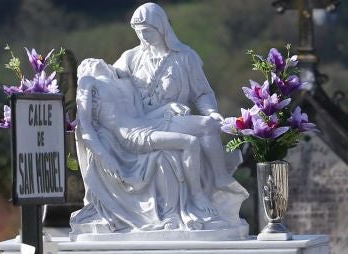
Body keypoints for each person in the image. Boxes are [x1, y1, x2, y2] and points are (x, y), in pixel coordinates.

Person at [71, 2, 246, 236]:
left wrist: (211, 111)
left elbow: (203, 93)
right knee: (180, 146)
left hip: (167, 118)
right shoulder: (130, 58)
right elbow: (107, 89)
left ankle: (221, 180)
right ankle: (196, 198)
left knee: (209, 125)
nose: (142, 37)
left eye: (147, 31)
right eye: (138, 32)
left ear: (161, 27)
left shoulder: (185, 58)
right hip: (144, 124)